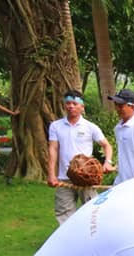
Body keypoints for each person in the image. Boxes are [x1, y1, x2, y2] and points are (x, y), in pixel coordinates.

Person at [47, 89, 115, 225]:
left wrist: (107, 162)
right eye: (68, 103)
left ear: (82, 107)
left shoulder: (90, 127)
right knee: (64, 212)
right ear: (64, 105)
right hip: (64, 177)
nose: (71, 106)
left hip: (85, 177)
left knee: (91, 212)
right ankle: (69, 240)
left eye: (74, 103)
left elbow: (107, 146)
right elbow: (53, 149)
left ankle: (91, 240)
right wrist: (51, 174)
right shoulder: (56, 126)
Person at [108, 88, 134, 185]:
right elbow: (125, 154)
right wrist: (115, 167)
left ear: (132, 107)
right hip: (121, 181)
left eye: (121, 106)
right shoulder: (118, 128)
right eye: (116, 105)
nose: (118, 109)